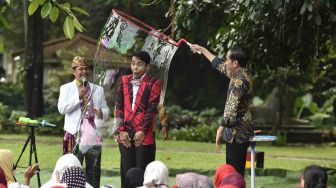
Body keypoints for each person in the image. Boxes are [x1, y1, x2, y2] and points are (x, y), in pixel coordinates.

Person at [190, 44, 254, 176]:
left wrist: (220, 130)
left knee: (234, 173)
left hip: (238, 133)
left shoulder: (239, 82)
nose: (225, 62)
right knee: (235, 171)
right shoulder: (239, 73)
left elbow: (230, 110)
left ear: (235, 63)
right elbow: (218, 64)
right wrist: (201, 49)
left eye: (227, 59)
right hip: (238, 132)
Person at [57, 56, 110, 188]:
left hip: (93, 134)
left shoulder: (98, 89)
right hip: (73, 135)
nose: (84, 72)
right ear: (74, 71)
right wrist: (78, 97)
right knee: (72, 168)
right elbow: (62, 109)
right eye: (80, 69)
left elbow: (106, 109)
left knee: (94, 169)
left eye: (86, 69)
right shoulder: (66, 88)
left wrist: (101, 113)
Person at [114, 51, 162, 187]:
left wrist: (142, 131)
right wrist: (120, 131)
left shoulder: (155, 83)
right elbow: (118, 107)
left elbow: (151, 109)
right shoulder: (123, 80)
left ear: (147, 66)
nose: (135, 67)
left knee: (143, 169)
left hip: (144, 133)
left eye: (139, 64)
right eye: (133, 63)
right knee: (127, 170)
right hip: (124, 133)